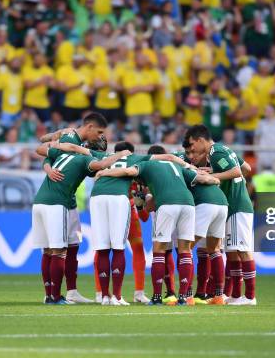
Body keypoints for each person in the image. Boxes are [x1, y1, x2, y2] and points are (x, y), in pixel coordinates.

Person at [55, 139, 190, 305]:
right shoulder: (137, 161)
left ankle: (103, 295)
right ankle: (120, 296)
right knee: (121, 248)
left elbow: (75, 147)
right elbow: (168, 157)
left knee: (102, 248)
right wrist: (189, 167)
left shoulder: (104, 156)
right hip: (121, 201)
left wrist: (54, 145)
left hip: (98, 198)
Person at [95, 146, 220, 306]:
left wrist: (104, 172)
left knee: (159, 250)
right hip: (188, 205)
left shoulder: (147, 164)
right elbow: (205, 179)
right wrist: (215, 179)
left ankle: (156, 297)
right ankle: (183, 297)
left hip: (167, 204)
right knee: (185, 250)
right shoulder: (176, 165)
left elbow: (128, 172)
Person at [38, 112, 112, 304]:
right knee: (56, 249)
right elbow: (47, 154)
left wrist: (51, 141)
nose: (100, 137)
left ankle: (70, 291)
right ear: (89, 127)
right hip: (58, 201)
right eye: (99, 132)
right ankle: (53, 294)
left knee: (72, 245)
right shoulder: (71, 136)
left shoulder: (77, 146)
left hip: (68, 201)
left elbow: (50, 153)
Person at [184, 125, 257, 306]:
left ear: (201, 140)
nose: (192, 150)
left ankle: (249, 297)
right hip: (233, 205)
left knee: (242, 250)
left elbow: (237, 172)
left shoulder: (216, 152)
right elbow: (246, 167)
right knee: (232, 252)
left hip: (237, 205)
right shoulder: (223, 150)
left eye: (193, 145)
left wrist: (214, 175)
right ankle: (236, 295)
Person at [173, 144, 229, 305]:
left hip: (205, 204)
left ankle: (186, 295)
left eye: (192, 153)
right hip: (222, 203)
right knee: (214, 249)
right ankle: (219, 296)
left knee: (185, 248)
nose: (191, 156)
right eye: (189, 153)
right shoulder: (198, 167)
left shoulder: (183, 170)